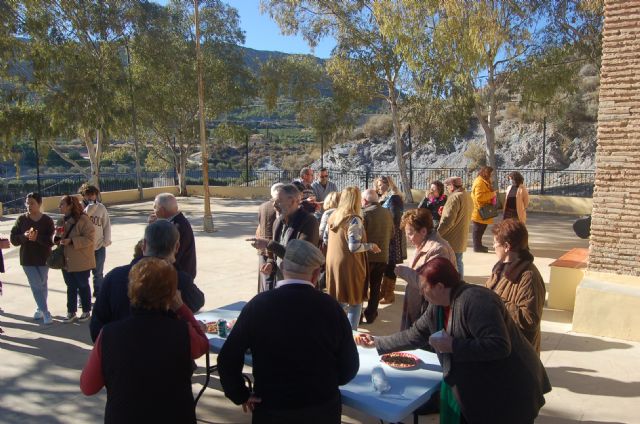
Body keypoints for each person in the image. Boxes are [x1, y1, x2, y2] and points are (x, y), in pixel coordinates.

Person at [355, 257, 551, 424]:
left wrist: (453, 345)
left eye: (424, 288)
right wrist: (377, 342)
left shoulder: (476, 300)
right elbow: (415, 334)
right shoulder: (438, 304)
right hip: (483, 387)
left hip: (509, 390)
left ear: (440, 286)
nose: (422, 293)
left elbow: (500, 346)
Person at [217, 240, 359, 424]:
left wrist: (240, 394)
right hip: (321, 409)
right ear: (316, 274)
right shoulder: (331, 307)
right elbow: (349, 366)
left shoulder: (258, 305)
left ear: (282, 267)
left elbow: (227, 359)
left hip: (272, 408)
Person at [80, 257, 208, 424]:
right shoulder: (182, 332)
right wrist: (182, 308)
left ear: (131, 291)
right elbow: (203, 344)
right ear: (172, 294)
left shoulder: (109, 334)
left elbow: (88, 387)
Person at [90, 220, 205, 342]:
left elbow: (96, 328)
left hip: (119, 354)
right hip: (167, 355)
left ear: (144, 245)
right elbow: (197, 302)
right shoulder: (180, 280)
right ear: (176, 247)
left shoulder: (114, 277)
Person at [486, 219, 545, 353]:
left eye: (495, 242)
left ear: (506, 246)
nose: (493, 246)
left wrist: (495, 302)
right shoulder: (499, 269)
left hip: (518, 354)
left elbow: (529, 319)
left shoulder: (528, 276)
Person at [326, 186, 381, 330]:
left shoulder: (333, 216)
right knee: (355, 301)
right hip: (350, 265)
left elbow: (326, 239)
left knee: (339, 298)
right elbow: (354, 247)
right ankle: (351, 336)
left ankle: (334, 330)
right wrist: (371, 246)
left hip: (334, 263)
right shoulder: (354, 220)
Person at [397, 208, 456, 330]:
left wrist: (405, 272)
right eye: (407, 234)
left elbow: (432, 285)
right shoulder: (422, 244)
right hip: (418, 307)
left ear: (423, 231)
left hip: (428, 314)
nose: (408, 238)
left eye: (410, 233)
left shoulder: (438, 249)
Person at [250, 184, 319, 282]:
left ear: (292, 201)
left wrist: (268, 244)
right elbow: (275, 254)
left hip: (299, 284)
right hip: (281, 281)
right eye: (274, 201)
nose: (274, 205)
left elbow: (301, 257)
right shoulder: (278, 222)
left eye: (278, 201)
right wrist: (271, 263)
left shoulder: (309, 222)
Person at [10, 193, 55, 325]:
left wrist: (38, 238)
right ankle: (46, 312)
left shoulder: (47, 220)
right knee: (36, 285)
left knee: (42, 284)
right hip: (27, 259)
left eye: (32, 203)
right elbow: (13, 239)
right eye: (27, 203)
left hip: (44, 258)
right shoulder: (21, 220)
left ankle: (40, 308)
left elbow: (52, 240)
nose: (29, 206)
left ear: (39, 204)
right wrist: (24, 237)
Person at [57, 195, 96, 323]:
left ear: (70, 205)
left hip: (81, 260)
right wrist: (56, 238)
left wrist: (72, 241)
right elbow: (56, 235)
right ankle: (71, 312)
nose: (59, 207)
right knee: (70, 286)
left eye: (62, 204)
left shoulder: (83, 220)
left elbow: (90, 239)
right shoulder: (61, 220)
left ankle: (86, 310)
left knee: (83, 285)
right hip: (66, 260)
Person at [361, 188, 393, 324]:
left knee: (362, 288)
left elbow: (360, 236)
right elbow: (392, 234)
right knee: (375, 287)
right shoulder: (387, 213)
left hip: (366, 257)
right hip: (382, 256)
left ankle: (357, 315)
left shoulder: (364, 213)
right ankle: (371, 314)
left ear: (365, 200)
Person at [149, 193, 196, 279]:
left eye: (155, 207)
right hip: (180, 274)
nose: (153, 211)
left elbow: (165, 252)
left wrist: (152, 228)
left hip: (179, 276)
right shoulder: (177, 221)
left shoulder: (176, 227)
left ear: (162, 210)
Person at [375, 175, 406, 304]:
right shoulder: (385, 197)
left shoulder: (394, 198)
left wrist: (388, 233)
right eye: (377, 184)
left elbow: (395, 218)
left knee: (390, 264)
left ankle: (389, 294)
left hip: (392, 236)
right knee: (386, 264)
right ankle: (383, 292)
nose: (378, 187)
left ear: (388, 184)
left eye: (381, 184)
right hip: (387, 235)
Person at [437, 176, 473, 279]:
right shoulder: (466, 195)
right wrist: (444, 211)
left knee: (451, 264)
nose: (447, 189)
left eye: (447, 186)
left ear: (452, 186)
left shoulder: (454, 197)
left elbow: (448, 221)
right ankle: (460, 284)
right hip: (461, 236)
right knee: (458, 262)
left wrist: (437, 234)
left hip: (450, 238)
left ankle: (456, 287)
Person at [79, 184, 111, 297]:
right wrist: (88, 209)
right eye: (88, 195)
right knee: (83, 274)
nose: (91, 197)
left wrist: (106, 241)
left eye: (93, 194)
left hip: (99, 245)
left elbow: (106, 224)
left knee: (98, 273)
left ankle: (99, 293)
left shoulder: (101, 207)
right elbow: (79, 221)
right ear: (83, 196)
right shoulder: (79, 208)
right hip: (84, 247)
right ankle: (83, 296)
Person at [255, 183, 282, 292]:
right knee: (271, 281)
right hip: (274, 248)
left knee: (264, 279)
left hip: (263, 248)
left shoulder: (262, 206)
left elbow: (260, 226)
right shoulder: (281, 206)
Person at [471, 166, 498, 253]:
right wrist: (492, 194)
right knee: (478, 229)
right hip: (480, 210)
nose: (492, 176)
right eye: (492, 174)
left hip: (482, 209)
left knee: (480, 229)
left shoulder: (483, 181)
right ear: (487, 173)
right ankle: (477, 247)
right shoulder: (480, 182)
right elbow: (479, 197)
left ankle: (479, 246)